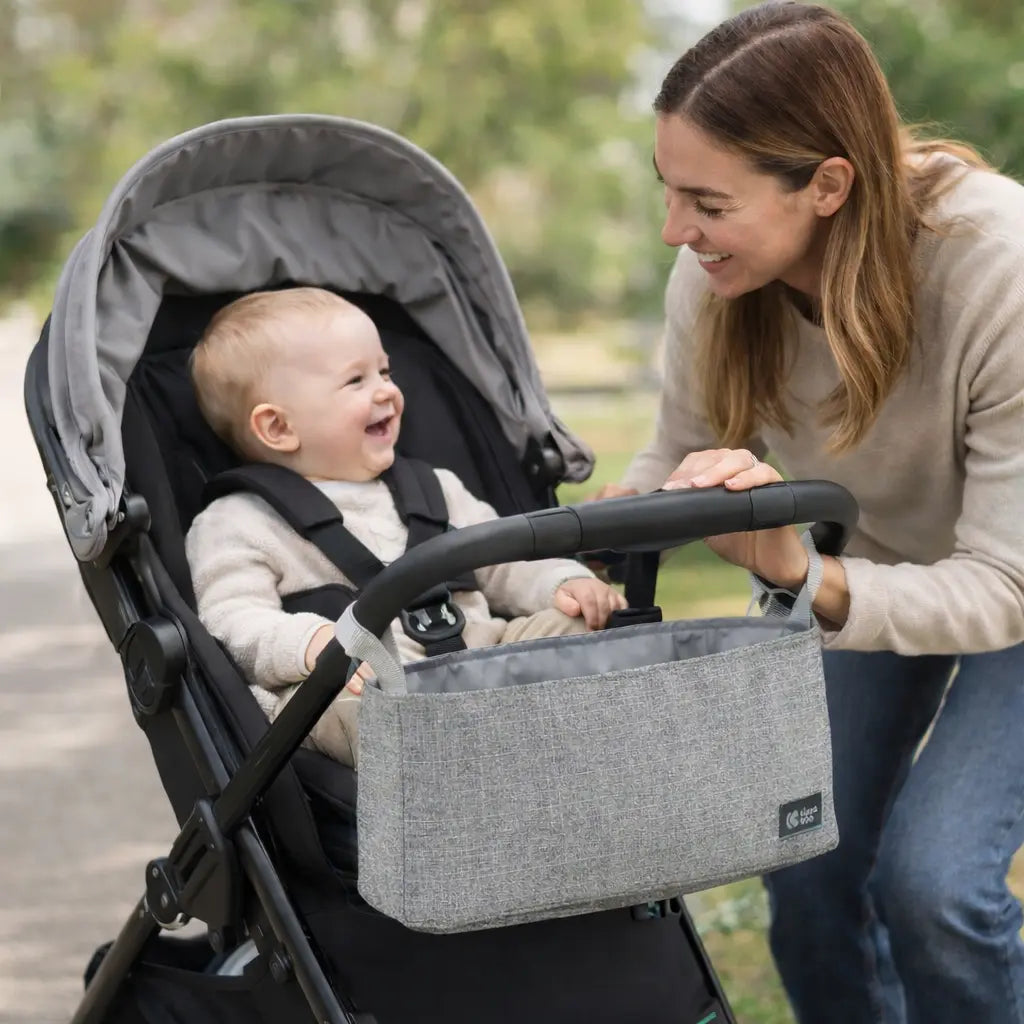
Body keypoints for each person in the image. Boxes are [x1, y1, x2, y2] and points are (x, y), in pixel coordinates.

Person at [597, 3, 1024, 1022]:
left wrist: (802, 575)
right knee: (804, 855)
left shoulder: (998, 266)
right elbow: (675, 448)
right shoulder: (717, 274)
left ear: (828, 185)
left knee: (936, 885)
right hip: (884, 554)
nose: (676, 231)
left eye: (707, 201)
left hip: (1012, 575)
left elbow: (1003, 584)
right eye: (668, 191)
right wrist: (611, 530)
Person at [186, 286, 625, 768]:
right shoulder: (238, 521)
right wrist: (311, 644)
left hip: (480, 660)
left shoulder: (435, 489)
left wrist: (563, 583)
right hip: (361, 688)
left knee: (581, 627)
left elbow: (505, 562)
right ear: (278, 427)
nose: (387, 391)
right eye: (356, 380)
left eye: (385, 371)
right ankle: (477, 762)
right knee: (347, 707)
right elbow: (232, 622)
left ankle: (560, 756)